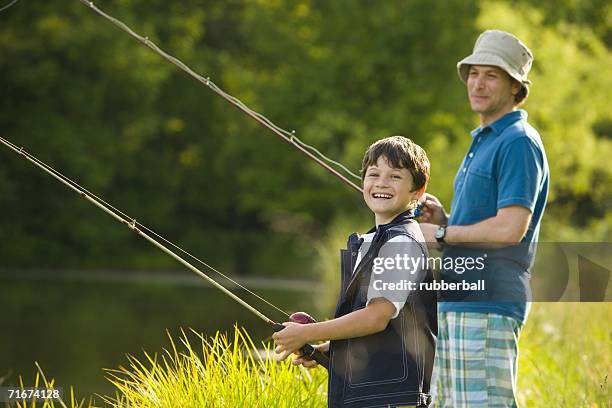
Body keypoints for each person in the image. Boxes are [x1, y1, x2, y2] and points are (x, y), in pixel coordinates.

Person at [418, 30, 549, 407]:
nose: (478, 83)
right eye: (474, 73)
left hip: (489, 303)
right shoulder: (485, 140)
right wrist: (446, 217)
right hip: (458, 300)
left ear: (514, 87)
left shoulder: (518, 141)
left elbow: (511, 228)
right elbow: (483, 223)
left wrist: (442, 232)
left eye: (491, 75)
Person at [273, 136, 437, 408]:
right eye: (374, 174)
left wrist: (307, 333)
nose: (382, 183)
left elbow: (376, 318)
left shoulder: (400, 243)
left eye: (395, 176)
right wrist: (329, 350)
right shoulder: (377, 240)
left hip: (391, 399)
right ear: (363, 182)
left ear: (418, 191)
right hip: (377, 394)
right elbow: (386, 334)